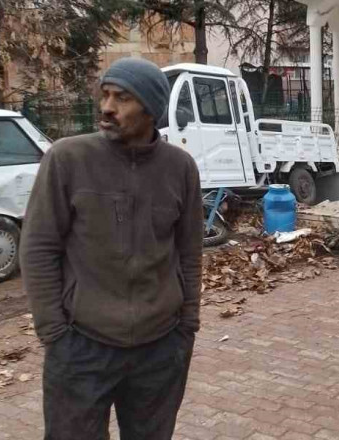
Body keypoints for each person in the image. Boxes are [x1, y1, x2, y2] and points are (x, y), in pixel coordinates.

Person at [19, 57, 203, 440]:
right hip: (81, 347)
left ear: (150, 109)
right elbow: (38, 248)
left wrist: (187, 326)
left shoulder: (180, 168)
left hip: (160, 349)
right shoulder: (67, 159)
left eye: (122, 98)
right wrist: (54, 333)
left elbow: (189, 252)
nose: (107, 107)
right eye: (104, 95)